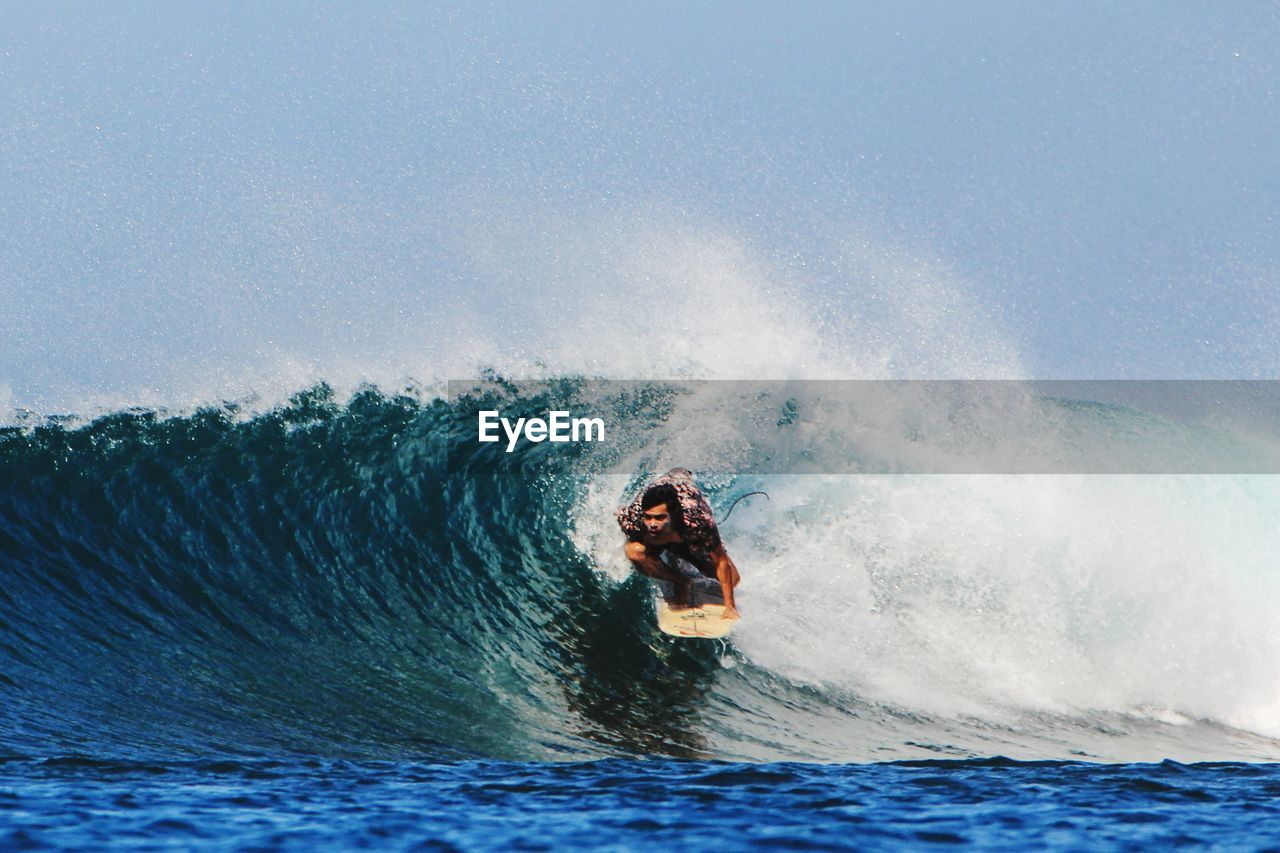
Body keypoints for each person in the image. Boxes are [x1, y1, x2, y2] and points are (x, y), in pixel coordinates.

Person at [616, 468, 740, 620]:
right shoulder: (635, 519)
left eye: (660, 518)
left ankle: (681, 552)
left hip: (683, 492)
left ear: (673, 515)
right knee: (634, 551)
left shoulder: (696, 521)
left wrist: (730, 606)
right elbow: (621, 514)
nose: (652, 524)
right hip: (668, 488)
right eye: (648, 517)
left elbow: (721, 561)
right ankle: (680, 580)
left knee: (732, 579)